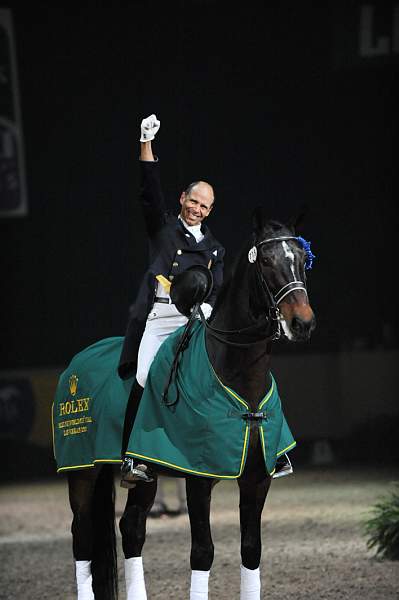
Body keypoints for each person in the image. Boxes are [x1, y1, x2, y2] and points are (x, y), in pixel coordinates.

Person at [119, 114, 225, 486]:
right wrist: (145, 141)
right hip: (160, 318)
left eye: (204, 206)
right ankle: (131, 459)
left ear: (210, 211)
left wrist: (208, 306)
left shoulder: (215, 249)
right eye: (192, 201)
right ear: (183, 198)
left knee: (221, 375)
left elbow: (216, 287)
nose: (196, 209)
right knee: (147, 376)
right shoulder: (163, 228)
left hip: (195, 323)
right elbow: (149, 191)